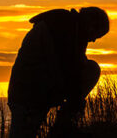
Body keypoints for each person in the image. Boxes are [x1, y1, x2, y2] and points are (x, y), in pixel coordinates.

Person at [8, 7, 109, 137]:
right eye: (97, 35)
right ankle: (61, 127)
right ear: (91, 25)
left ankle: (62, 126)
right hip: (29, 94)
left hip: (38, 89)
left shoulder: (71, 28)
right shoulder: (64, 28)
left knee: (91, 69)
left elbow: (74, 67)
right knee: (23, 132)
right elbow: (68, 68)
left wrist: (74, 100)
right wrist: (76, 100)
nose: (94, 40)